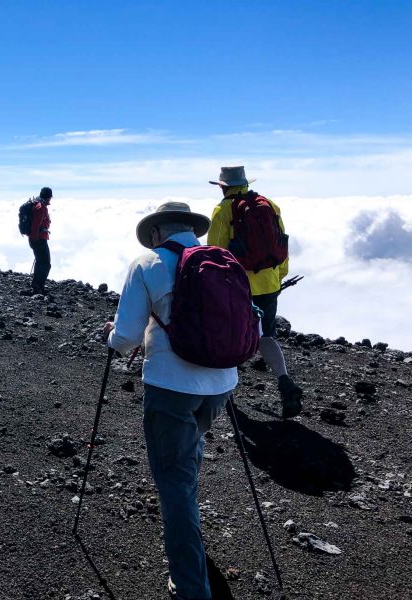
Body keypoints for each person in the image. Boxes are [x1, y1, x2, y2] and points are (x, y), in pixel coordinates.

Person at [104, 202, 237, 600]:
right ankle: (189, 529)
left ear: (157, 232)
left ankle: (191, 587)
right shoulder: (224, 261)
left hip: (172, 385)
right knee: (187, 456)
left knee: (174, 482)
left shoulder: (147, 263)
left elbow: (125, 338)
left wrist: (110, 335)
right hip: (222, 382)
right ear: (191, 229)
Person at [207, 166, 303, 419]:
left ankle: (225, 391)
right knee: (266, 335)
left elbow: (216, 252)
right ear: (246, 183)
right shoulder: (269, 205)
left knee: (231, 335)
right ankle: (285, 382)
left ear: (222, 186)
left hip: (238, 286)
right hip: (269, 283)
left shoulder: (224, 210)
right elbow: (282, 243)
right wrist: (278, 277)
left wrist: (214, 286)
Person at [28, 186, 53, 294]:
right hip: (39, 239)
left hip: (36, 238)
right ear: (48, 197)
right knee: (46, 263)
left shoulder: (37, 203)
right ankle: (38, 284)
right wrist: (35, 238)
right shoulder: (41, 207)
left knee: (40, 261)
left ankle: (38, 285)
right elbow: (36, 224)